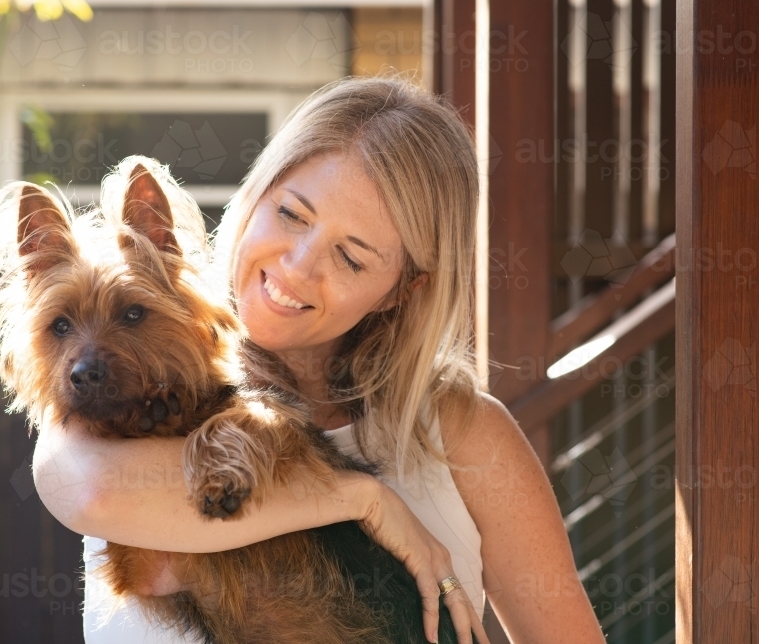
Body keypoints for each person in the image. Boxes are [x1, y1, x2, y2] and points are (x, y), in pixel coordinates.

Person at [32, 75, 607, 644]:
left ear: (402, 290)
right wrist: (366, 501)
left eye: (351, 259)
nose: (298, 267)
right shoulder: (114, 408)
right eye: (291, 215)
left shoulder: (464, 432)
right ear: (258, 191)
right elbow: (97, 498)